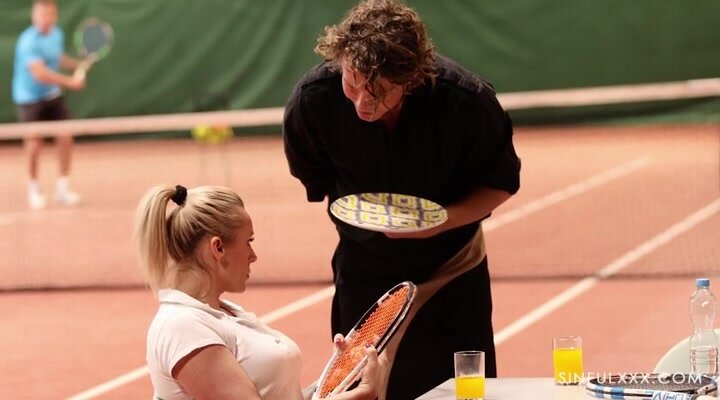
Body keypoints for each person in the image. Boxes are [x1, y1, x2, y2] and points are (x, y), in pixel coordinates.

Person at [282, 0, 521, 399]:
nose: (362, 104)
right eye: (353, 83)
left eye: (379, 93)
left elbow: (501, 183)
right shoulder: (313, 101)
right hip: (364, 269)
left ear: (411, 79)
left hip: (452, 266)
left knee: (464, 390)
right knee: (358, 390)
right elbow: (315, 177)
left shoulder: (467, 102)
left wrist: (441, 222)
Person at [134, 183, 382, 400]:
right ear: (218, 248)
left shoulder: (226, 313)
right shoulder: (183, 327)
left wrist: (338, 379)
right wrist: (359, 394)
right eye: (248, 242)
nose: (253, 256)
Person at [12, 0, 87, 209]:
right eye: (42, 15)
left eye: (50, 15)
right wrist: (70, 82)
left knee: (66, 137)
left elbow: (57, 57)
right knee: (34, 144)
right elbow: (40, 73)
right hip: (28, 98)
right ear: (34, 16)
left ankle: (63, 189)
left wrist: (76, 64)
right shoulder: (27, 41)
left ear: (55, 16)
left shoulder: (57, 34)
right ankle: (34, 188)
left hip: (53, 96)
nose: (46, 19)